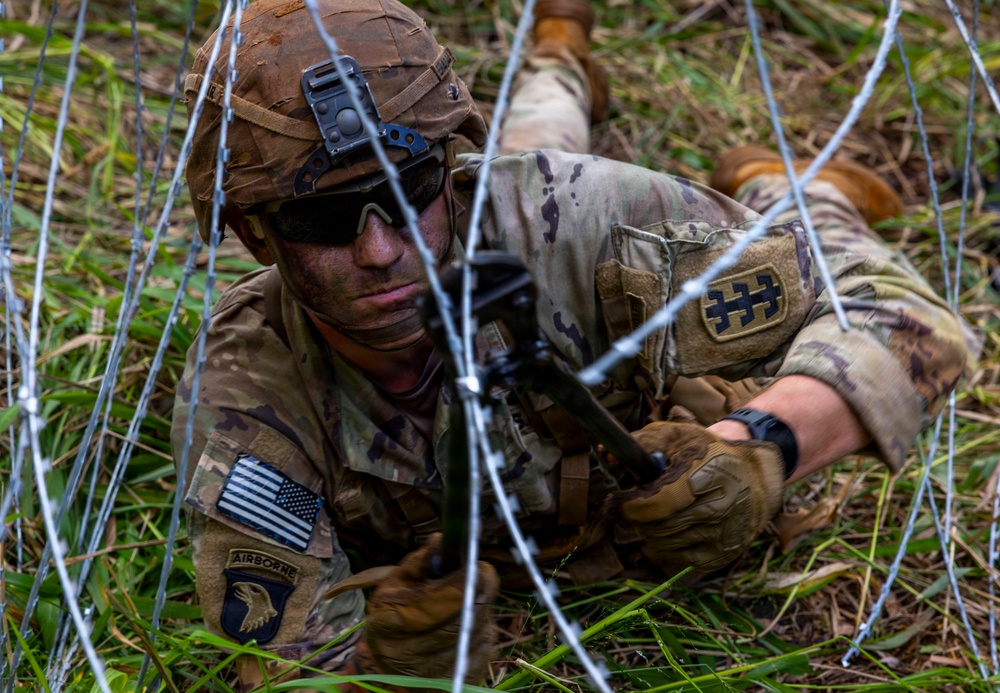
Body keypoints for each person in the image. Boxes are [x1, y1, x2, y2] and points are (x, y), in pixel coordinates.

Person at [171, 0, 971, 689]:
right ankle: (559, 63)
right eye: (324, 221)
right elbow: (286, 664)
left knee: (556, 190)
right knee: (527, 174)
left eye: (407, 193)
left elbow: (906, 319)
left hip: (552, 208)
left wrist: (761, 448)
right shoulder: (243, 393)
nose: (381, 249)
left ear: (447, 171)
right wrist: (383, 669)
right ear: (252, 233)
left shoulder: (572, 214)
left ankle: (794, 181)